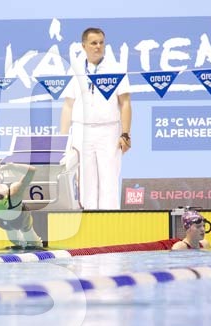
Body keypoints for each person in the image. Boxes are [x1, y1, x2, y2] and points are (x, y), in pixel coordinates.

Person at [60, 27, 132, 210]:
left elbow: (125, 103)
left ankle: (110, 221)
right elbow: (68, 105)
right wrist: (62, 139)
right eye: (93, 43)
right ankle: (88, 221)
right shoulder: (74, 69)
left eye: (101, 43)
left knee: (109, 179)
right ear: (84, 46)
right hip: (81, 131)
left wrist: (125, 134)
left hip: (109, 130)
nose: (98, 46)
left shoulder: (116, 68)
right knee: (85, 182)